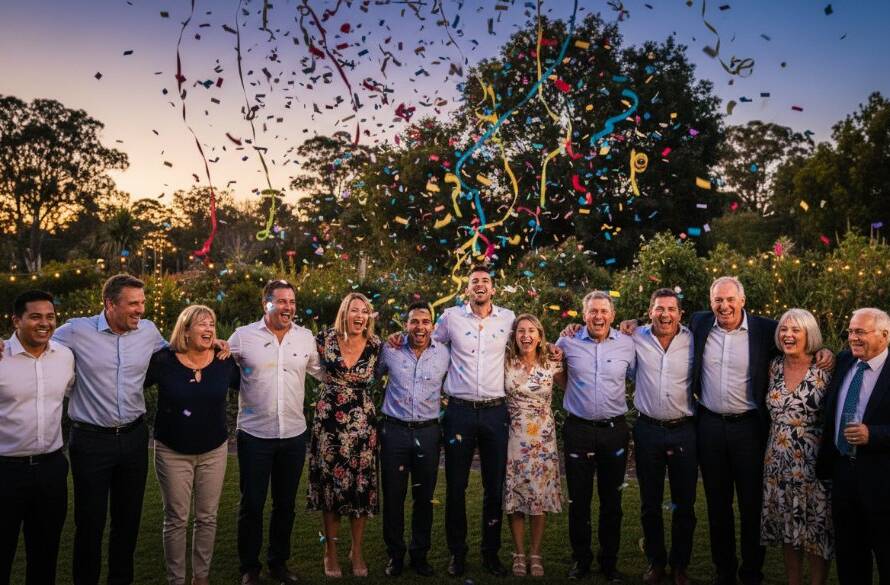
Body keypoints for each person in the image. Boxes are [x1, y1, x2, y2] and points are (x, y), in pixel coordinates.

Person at [690, 276, 832, 585]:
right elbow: (664, 320)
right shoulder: (699, 323)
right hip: (710, 425)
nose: (724, 305)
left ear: (742, 300)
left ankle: (752, 572)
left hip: (750, 430)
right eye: (718, 299)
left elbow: (801, 341)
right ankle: (724, 571)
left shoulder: (766, 329)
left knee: (753, 504)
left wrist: (827, 353)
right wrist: (633, 322)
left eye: (730, 299)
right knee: (717, 504)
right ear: (710, 301)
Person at [59, 274, 168, 585]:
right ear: (110, 304)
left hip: (134, 439)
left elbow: (176, 352)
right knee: (89, 523)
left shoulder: (148, 331)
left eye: (143, 303)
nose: (140, 310)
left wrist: (212, 342)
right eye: (133, 303)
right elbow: (38, 345)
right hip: (91, 442)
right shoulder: (76, 330)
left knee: (128, 521)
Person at [228, 279, 326, 585]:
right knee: (252, 504)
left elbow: (322, 371)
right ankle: (249, 567)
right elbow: (214, 362)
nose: (288, 307)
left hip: (294, 435)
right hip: (255, 435)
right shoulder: (243, 338)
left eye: (292, 302)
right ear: (266, 304)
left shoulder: (305, 337)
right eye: (282, 301)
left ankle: (278, 563)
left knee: (285, 504)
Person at [145, 305, 239, 585]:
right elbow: (130, 382)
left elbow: (252, 381)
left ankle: (201, 577)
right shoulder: (163, 361)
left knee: (207, 517)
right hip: (172, 451)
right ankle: (176, 579)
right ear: (185, 330)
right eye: (202, 324)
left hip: (213, 450)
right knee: (176, 518)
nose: (209, 329)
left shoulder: (224, 361)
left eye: (212, 324)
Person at [432, 265, 515, 578]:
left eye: (485, 281)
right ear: (466, 289)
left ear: (493, 289)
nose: (480, 285)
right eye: (474, 281)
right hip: (459, 413)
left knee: (494, 487)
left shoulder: (508, 318)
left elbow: (529, 340)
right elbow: (429, 345)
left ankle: (491, 553)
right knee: (456, 486)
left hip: (496, 412)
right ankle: (457, 553)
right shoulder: (450, 318)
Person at [557, 291, 635, 583]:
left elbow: (639, 376)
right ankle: (581, 559)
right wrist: (573, 393)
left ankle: (609, 562)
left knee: (611, 501)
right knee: (579, 500)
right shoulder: (567, 341)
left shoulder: (628, 344)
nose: (598, 316)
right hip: (578, 429)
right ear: (584, 314)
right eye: (593, 311)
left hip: (614, 431)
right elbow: (555, 371)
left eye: (604, 311)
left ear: (612, 315)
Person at [0, 291, 74, 585]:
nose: (45, 323)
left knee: (45, 556)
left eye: (50, 316)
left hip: (51, 469)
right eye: (35, 316)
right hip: (6, 470)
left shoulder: (65, 356)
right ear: (16, 320)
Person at [309, 292, 382, 578]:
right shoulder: (324, 339)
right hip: (330, 424)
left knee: (360, 486)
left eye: (365, 311)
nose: (360, 316)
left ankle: (357, 551)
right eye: (354, 310)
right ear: (344, 313)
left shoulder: (376, 346)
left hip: (363, 424)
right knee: (332, 488)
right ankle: (330, 553)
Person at [816, 308, 890, 585]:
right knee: (849, 558)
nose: (852, 338)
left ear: (884, 335)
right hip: (844, 475)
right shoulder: (845, 360)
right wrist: (823, 350)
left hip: (882, 479)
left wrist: (874, 434)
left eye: (860, 332)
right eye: (850, 331)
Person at [376, 301, 450, 578]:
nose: (420, 327)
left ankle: (420, 554)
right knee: (393, 497)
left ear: (433, 325)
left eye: (425, 322)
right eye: (414, 322)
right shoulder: (390, 350)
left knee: (424, 497)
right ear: (406, 325)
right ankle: (395, 555)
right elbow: (371, 376)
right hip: (394, 431)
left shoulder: (444, 353)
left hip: (428, 432)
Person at [760, 308, 833, 585]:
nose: (788, 335)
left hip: (812, 460)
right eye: (784, 330)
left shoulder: (825, 367)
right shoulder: (774, 366)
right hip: (777, 458)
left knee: (816, 526)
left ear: (809, 334)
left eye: (795, 330)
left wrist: (830, 353)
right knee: (787, 524)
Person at [631, 289, 697, 585]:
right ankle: (656, 562)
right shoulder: (634, 338)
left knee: (685, 502)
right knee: (650, 502)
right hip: (648, 429)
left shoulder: (693, 339)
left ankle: (680, 565)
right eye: (659, 308)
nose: (665, 314)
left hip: (684, 428)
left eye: (671, 309)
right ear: (650, 311)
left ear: (680, 313)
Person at [503, 314, 566, 578]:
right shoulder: (505, 362)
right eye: (521, 331)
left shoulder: (551, 361)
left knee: (538, 496)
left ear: (540, 335)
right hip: (515, 436)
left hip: (542, 437)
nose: (526, 335)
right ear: (515, 336)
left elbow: (570, 387)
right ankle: (519, 553)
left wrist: (560, 351)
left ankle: (536, 553)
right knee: (517, 495)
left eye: (531, 331)